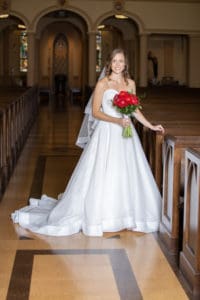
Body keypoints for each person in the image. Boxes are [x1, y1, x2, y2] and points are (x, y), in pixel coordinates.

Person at [11, 48, 164, 237]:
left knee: (127, 171)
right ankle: (104, 216)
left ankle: (129, 215)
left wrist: (151, 125)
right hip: (107, 131)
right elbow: (95, 112)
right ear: (109, 63)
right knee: (104, 170)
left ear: (126, 64)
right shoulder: (102, 84)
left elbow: (134, 110)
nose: (118, 64)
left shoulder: (130, 83)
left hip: (126, 134)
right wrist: (116, 120)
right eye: (114, 61)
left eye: (121, 61)